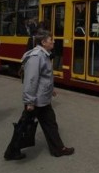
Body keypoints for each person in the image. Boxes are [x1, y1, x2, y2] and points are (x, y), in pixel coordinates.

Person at [5, 29, 74, 159]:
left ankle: (58, 149)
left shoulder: (44, 55)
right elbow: (31, 80)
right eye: (50, 40)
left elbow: (44, 77)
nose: (53, 41)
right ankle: (11, 152)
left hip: (42, 98)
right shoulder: (37, 57)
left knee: (50, 123)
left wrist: (50, 89)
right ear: (43, 42)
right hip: (36, 100)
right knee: (24, 125)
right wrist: (29, 101)